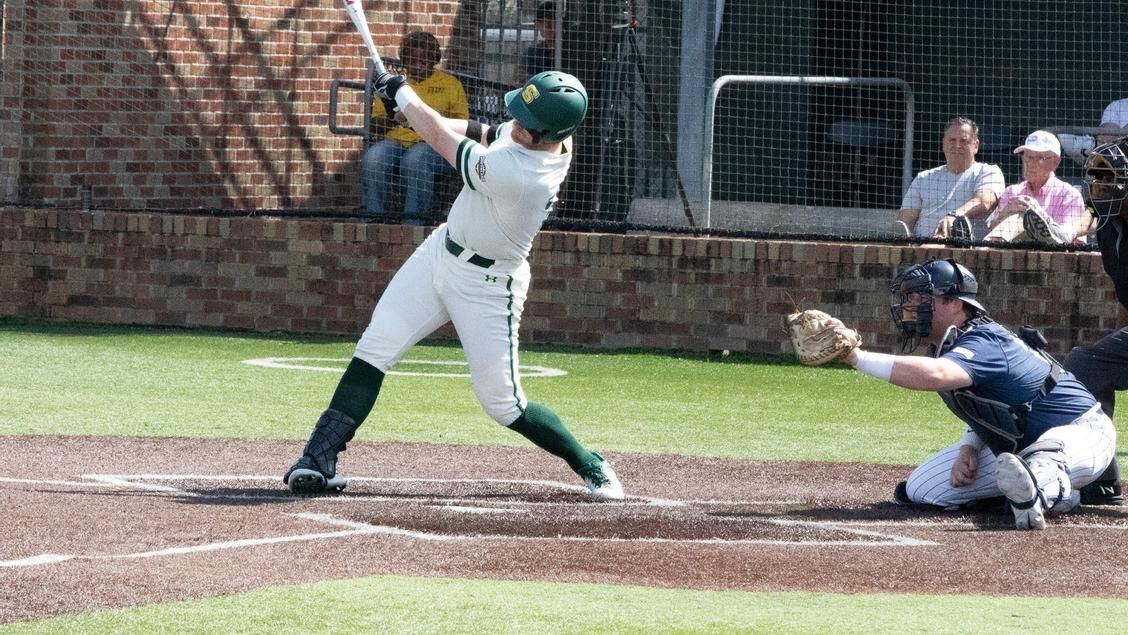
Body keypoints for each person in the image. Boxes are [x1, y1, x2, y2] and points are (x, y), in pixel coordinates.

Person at [284, 69, 624, 500]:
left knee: (503, 404)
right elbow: (483, 130)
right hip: (440, 252)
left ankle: (589, 463)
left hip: (488, 284)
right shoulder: (537, 135)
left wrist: (407, 100)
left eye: (525, 122)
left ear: (547, 135)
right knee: (375, 346)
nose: (514, 125)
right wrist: (418, 116)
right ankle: (317, 458)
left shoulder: (522, 176)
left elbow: (447, 145)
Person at [842, 258, 1116, 529]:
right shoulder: (946, 346)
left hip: (1083, 433)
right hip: (1016, 449)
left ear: (955, 303)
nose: (911, 306)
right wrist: (969, 447)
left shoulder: (985, 340)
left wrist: (857, 358)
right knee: (921, 489)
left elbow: (935, 375)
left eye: (921, 297)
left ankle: (1047, 495)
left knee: (1048, 456)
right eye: (910, 297)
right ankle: (1029, 492)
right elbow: (987, 404)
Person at [1061, 138, 1128, 505]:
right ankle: (1102, 480)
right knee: (1089, 367)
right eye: (1096, 177)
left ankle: (1101, 481)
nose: (1099, 186)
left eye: (1109, 177)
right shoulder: (1108, 229)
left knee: (1081, 364)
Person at [361, 31, 469, 224]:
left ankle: (413, 224)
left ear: (433, 61)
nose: (417, 67)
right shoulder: (394, 86)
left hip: (435, 145)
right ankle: (375, 221)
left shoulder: (451, 85)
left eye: (423, 62)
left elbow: (463, 126)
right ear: (404, 61)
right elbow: (375, 124)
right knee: (374, 158)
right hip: (398, 141)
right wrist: (394, 118)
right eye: (412, 62)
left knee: (415, 159)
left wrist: (432, 123)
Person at [895, 117, 1005, 241]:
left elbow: (984, 201)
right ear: (943, 144)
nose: (957, 146)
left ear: (976, 145)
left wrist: (954, 216)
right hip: (920, 248)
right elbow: (904, 222)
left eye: (964, 141)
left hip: (964, 250)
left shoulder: (989, 171)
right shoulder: (924, 178)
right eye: (952, 140)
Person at [981, 130, 1088, 245]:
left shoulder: (1069, 195)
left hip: (1052, 258)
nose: (1030, 164)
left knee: (1023, 215)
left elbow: (1070, 241)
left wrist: (1039, 215)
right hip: (1011, 256)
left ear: (1055, 162)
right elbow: (991, 227)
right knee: (1017, 216)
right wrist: (1005, 213)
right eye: (1027, 157)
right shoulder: (1012, 191)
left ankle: (985, 249)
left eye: (1038, 158)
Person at [517, 1, 558, 84]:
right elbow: (520, 80)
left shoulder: (570, 52)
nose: (548, 27)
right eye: (544, 23)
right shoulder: (532, 52)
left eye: (552, 22)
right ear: (538, 25)